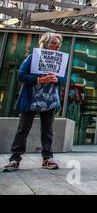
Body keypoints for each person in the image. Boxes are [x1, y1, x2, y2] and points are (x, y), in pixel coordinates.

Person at [3, 32, 66, 172]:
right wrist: (39, 80)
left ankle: (47, 158)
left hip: (49, 101)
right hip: (31, 99)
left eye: (58, 44)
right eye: (54, 43)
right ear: (45, 44)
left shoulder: (59, 61)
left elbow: (63, 80)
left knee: (48, 131)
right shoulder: (33, 58)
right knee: (23, 129)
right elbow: (21, 75)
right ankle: (14, 159)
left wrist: (57, 80)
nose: (57, 46)